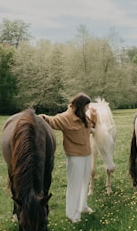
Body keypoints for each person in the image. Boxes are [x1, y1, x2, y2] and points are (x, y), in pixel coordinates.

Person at [39, 93, 98, 223]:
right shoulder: (66, 117)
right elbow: (51, 120)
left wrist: (94, 117)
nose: (88, 109)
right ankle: (72, 214)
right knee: (74, 185)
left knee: (84, 182)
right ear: (80, 106)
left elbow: (92, 127)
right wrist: (39, 117)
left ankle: (82, 206)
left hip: (87, 154)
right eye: (86, 107)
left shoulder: (83, 116)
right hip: (75, 156)